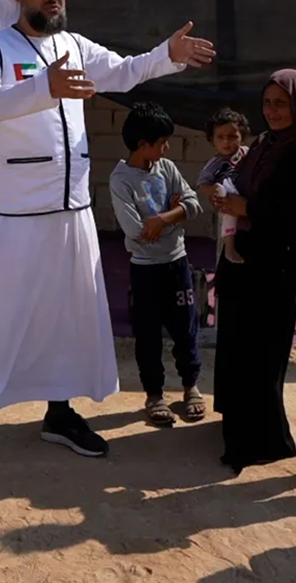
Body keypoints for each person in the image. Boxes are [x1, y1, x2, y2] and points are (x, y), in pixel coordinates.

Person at [0, 0, 216, 485]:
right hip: (15, 215)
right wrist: (40, 88)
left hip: (72, 214)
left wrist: (167, 54)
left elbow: (121, 72)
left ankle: (59, 412)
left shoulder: (72, 46)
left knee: (66, 319)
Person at [212, 70, 296, 475]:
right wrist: (225, 197)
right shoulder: (264, 143)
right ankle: (236, 425)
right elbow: (239, 184)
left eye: (281, 103)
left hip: (272, 263)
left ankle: (262, 440)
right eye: (267, 103)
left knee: (261, 352)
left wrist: (247, 208)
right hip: (242, 256)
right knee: (236, 342)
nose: (273, 111)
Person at [108, 102, 205, 426]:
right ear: (142, 145)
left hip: (177, 264)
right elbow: (137, 232)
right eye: (162, 142)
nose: (166, 148)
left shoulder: (167, 168)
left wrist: (165, 218)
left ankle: (191, 387)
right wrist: (177, 217)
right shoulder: (121, 180)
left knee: (185, 330)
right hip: (145, 270)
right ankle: (155, 395)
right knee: (148, 335)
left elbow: (193, 204)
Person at [196, 107, 250, 264]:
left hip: (247, 199)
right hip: (229, 200)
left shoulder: (247, 153)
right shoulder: (214, 164)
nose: (226, 142)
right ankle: (229, 248)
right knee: (227, 204)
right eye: (220, 137)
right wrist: (213, 190)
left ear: (242, 137)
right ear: (212, 140)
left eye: (232, 136)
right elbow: (202, 184)